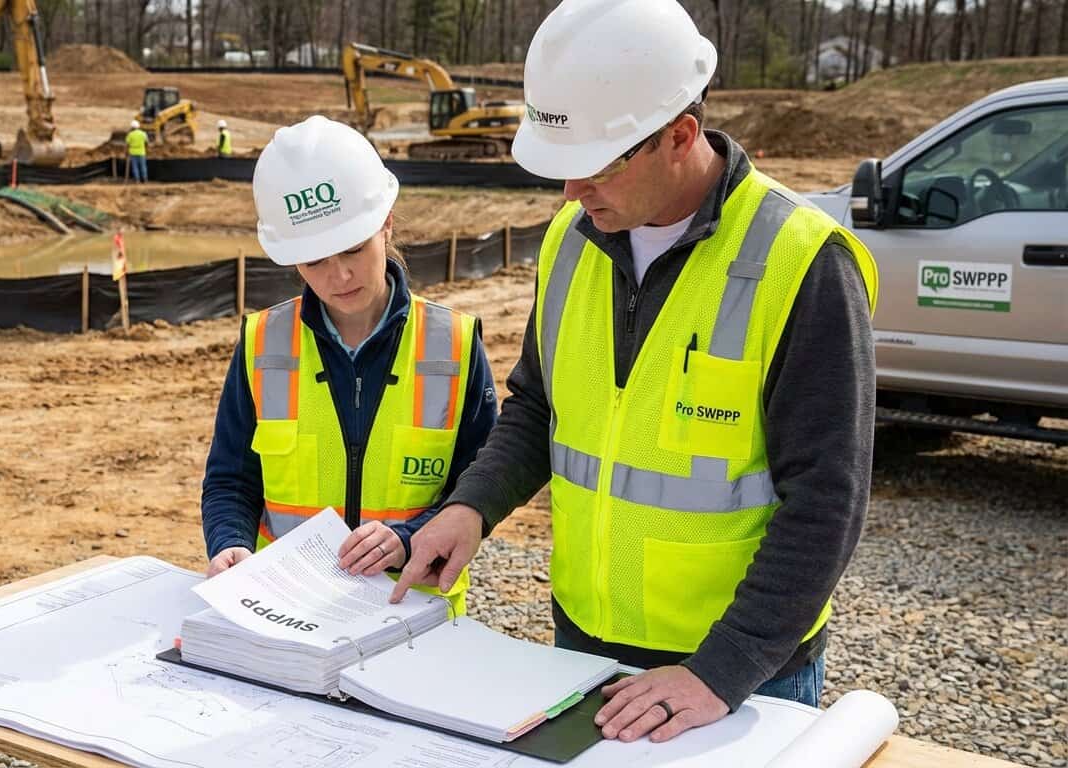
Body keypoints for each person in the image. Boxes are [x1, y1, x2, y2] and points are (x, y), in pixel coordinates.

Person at [391, 0, 880, 745]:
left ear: (679, 136)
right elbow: (537, 405)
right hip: (584, 644)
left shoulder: (802, 262)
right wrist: (471, 506)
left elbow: (827, 499)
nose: (570, 193)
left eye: (592, 168)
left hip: (738, 676)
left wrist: (722, 668)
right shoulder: (572, 237)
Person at [200, 115, 497, 615]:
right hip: (290, 612)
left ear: (386, 222)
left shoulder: (453, 344)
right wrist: (229, 542)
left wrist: (408, 538)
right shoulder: (262, 343)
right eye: (314, 261)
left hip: (415, 613)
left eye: (354, 249)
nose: (339, 275)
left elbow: (481, 483)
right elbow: (231, 477)